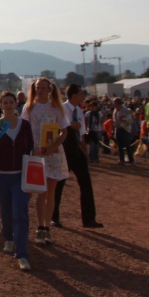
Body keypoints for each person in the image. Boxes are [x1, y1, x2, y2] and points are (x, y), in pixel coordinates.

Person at [0, 91, 35, 271]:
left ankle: (22, 254)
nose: (9, 105)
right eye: (5, 102)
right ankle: (9, 239)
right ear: (1, 105)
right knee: (6, 210)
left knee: (19, 212)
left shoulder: (25, 125)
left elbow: (31, 149)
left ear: (16, 104)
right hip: (1, 174)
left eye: (11, 102)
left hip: (20, 174)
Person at [20, 78, 70, 245]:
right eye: (37, 87)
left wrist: (54, 146)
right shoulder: (29, 107)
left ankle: (47, 226)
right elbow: (24, 130)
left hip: (53, 154)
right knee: (41, 191)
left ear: (49, 89)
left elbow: (64, 131)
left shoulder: (56, 108)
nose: (40, 90)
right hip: (37, 153)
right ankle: (40, 226)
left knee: (51, 192)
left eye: (43, 87)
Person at [52, 84, 103, 229]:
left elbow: (81, 135)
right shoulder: (60, 109)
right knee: (59, 184)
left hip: (76, 150)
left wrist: (85, 152)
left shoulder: (80, 111)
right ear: (73, 95)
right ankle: (54, 216)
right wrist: (69, 126)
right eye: (81, 93)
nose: (83, 96)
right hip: (64, 150)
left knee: (86, 183)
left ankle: (89, 219)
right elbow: (55, 128)